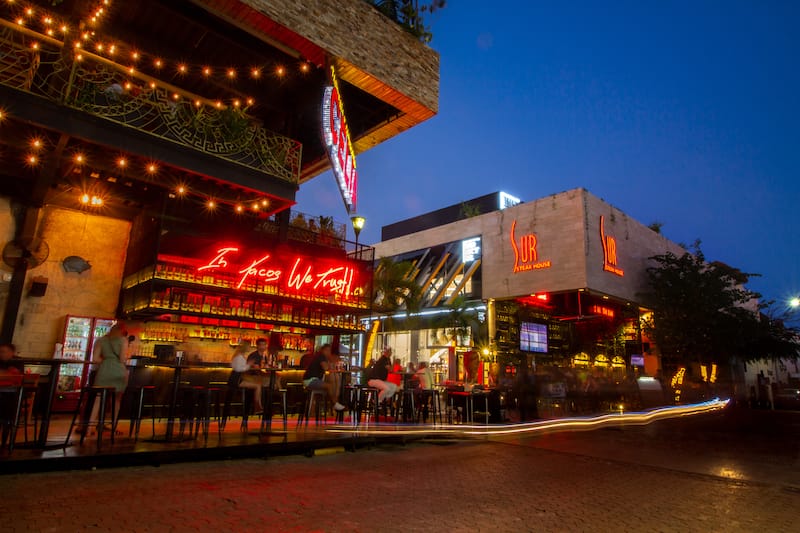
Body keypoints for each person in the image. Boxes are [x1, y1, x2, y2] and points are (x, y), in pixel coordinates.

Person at [88, 323, 129, 432]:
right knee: (116, 400)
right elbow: (122, 359)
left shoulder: (100, 340)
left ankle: (90, 427)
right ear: (121, 331)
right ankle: (113, 425)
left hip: (104, 371)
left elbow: (95, 359)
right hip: (118, 371)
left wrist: (106, 360)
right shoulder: (123, 340)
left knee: (98, 399)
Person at [303, 344, 345, 412]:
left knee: (333, 382)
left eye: (329, 350)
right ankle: (334, 403)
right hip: (310, 380)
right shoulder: (321, 356)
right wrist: (332, 363)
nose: (329, 352)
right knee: (330, 386)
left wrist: (334, 366)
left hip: (312, 380)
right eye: (327, 350)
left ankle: (334, 404)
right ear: (323, 350)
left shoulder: (321, 357)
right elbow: (325, 368)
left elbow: (328, 369)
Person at [231, 343, 266, 414]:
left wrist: (248, 365)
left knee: (258, 384)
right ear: (245, 348)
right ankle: (257, 407)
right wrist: (249, 365)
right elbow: (239, 369)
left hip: (236, 378)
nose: (250, 348)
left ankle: (258, 406)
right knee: (258, 385)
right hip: (237, 380)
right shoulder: (239, 357)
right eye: (249, 346)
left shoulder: (239, 355)